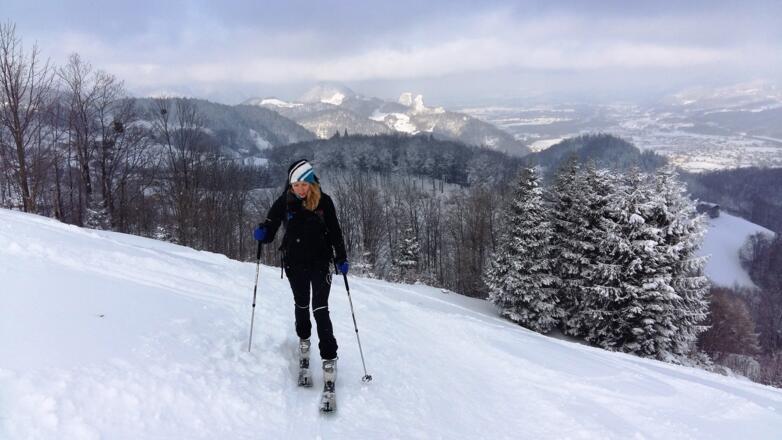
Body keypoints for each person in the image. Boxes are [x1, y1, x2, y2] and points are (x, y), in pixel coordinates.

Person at [253, 159, 348, 387]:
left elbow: (335, 231)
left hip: (321, 262)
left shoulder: (324, 202)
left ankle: (329, 357)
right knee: (302, 304)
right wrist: (262, 232)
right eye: (296, 185)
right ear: (290, 185)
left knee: (320, 309)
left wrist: (341, 257)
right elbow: (270, 229)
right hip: (295, 263)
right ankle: (304, 340)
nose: (300, 189)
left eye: (304, 184)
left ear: (311, 182)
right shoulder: (284, 201)